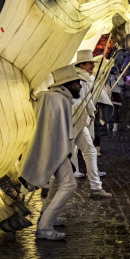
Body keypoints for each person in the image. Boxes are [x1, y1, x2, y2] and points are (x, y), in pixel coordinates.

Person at [21, 65, 86, 240]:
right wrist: (64, 151)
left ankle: (47, 214)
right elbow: (57, 131)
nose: (80, 86)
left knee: (60, 183)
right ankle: (44, 226)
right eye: (78, 82)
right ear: (69, 84)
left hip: (54, 147)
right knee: (69, 185)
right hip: (56, 149)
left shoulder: (51, 97)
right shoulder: (59, 100)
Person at [72, 50, 112, 199]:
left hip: (79, 121)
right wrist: (90, 112)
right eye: (90, 63)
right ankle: (49, 184)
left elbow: (87, 99)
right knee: (66, 157)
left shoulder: (85, 78)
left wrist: (91, 112)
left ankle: (96, 187)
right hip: (74, 121)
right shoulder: (81, 79)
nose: (92, 66)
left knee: (89, 151)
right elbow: (81, 100)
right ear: (82, 64)